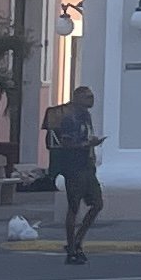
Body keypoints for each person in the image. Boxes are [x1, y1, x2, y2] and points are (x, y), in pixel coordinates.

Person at [43, 88, 103, 264]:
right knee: (74, 207)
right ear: (77, 98)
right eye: (88, 97)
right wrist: (88, 143)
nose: (92, 100)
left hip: (87, 166)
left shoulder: (85, 115)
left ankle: (77, 240)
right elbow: (67, 143)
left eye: (92, 96)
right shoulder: (70, 117)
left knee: (97, 204)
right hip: (74, 168)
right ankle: (72, 247)